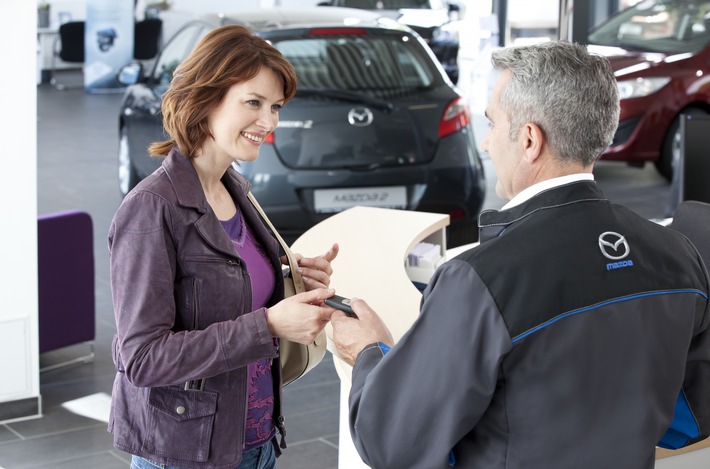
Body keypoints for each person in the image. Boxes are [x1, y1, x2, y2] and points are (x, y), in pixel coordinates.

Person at [331, 40, 710, 469]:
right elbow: (690, 421)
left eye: (492, 123)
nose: (488, 143)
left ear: (529, 139)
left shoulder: (478, 280)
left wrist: (370, 352)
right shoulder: (679, 256)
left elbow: (394, 443)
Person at [108, 25, 339, 469]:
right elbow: (141, 359)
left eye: (275, 107)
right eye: (253, 103)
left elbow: (232, 287)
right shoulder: (151, 209)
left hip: (256, 440)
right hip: (186, 454)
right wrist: (269, 324)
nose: (268, 122)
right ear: (205, 98)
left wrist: (291, 276)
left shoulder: (236, 190)